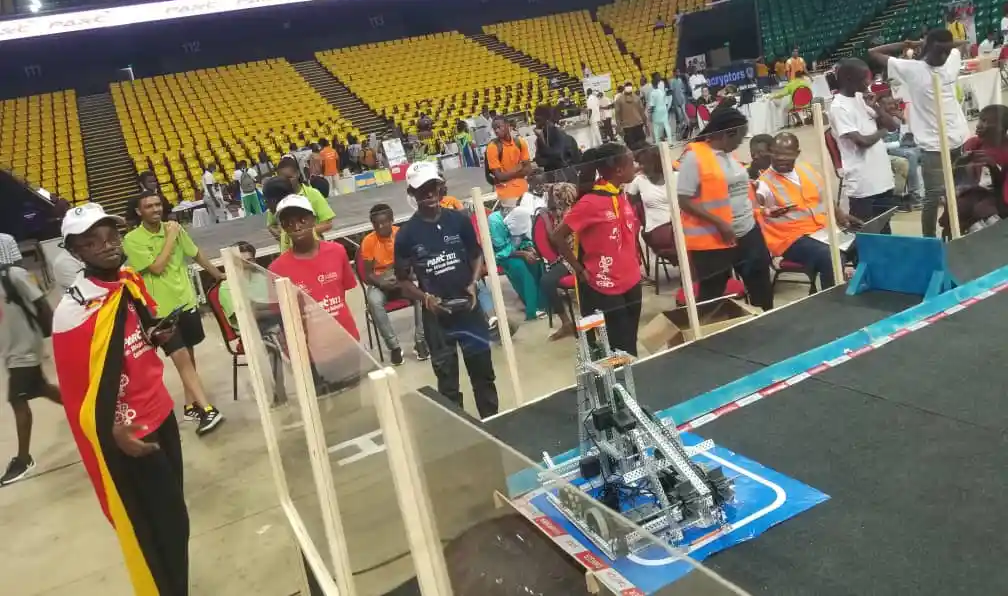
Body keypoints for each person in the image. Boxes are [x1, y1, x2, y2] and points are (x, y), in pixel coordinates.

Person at [53, 203, 189, 595]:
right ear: (76, 252)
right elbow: (79, 391)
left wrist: (152, 337)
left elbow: (119, 348)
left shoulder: (127, 283)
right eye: (91, 242)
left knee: (175, 520)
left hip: (161, 413)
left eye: (110, 235)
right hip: (132, 436)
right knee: (157, 530)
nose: (107, 245)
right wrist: (111, 432)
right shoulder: (74, 311)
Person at [394, 161, 498, 418]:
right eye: (422, 190)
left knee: (483, 375)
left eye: (433, 187)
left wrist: (473, 283)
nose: (429, 194)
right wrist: (425, 298)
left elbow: (475, 256)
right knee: (448, 384)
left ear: (441, 188)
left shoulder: (458, 221)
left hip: (469, 310)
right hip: (437, 320)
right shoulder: (406, 235)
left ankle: (494, 423)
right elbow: (403, 282)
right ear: (412, 193)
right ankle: (460, 432)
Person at [122, 192, 225, 435]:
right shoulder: (132, 239)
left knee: (188, 357)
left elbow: (195, 252)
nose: (156, 209)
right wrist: (170, 236)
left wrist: (216, 273)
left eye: (158, 205)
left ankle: (191, 404)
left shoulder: (174, 229)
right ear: (139, 212)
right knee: (181, 360)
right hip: (161, 313)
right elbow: (156, 268)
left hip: (186, 302)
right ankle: (207, 409)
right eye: (149, 206)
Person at [868, 32, 967, 237]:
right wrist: (911, 44)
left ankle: (954, 230)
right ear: (927, 49)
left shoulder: (952, 58)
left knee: (957, 192)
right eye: (939, 51)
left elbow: (964, 43)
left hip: (958, 137)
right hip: (933, 145)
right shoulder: (912, 69)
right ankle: (929, 240)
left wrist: (939, 46)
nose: (943, 56)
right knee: (932, 196)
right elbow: (873, 52)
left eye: (946, 51)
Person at [676, 106, 774, 311]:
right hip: (714, 240)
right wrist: (719, 223)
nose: (742, 141)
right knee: (712, 295)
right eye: (740, 136)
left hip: (747, 231)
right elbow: (683, 199)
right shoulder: (695, 157)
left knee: (761, 286)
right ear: (728, 133)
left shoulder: (729, 155)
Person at [551, 144, 643, 356]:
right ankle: (620, 385)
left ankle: (630, 381)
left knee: (630, 342)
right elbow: (557, 235)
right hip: (606, 286)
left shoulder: (621, 195)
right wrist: (578, 268)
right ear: (618, 170)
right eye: (631, 163)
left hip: (631, 281)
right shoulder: (590, 203)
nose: (635, 167)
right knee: (619, 348)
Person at [755, 133, 861, 290]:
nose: (781, 158)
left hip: (821, 230)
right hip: (791, 240)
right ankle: (833, 303)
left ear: (797, 153)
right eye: (776, 153)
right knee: (831, 257)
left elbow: (824, 198)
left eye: (787, 154)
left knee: (865, 242)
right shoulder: (763, 183)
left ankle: (866, 290)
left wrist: (841, 217)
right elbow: (756, 203)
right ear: (770, 152)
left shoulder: (807, 170)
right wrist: (764, 209)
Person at [0, 260, 60, 485]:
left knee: (17, 399)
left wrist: (55, 338)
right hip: (9, 350)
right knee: (43, 389)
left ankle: (24, 459)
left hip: (25, 348)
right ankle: (92, 411)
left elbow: (42, 305)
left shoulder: (13, 275)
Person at [268, 195, 360, 341]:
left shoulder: (337, 251)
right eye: (288, 223)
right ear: (283, 227)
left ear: (313, 219)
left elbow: (341, 292)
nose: (297, 227)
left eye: (302, 220)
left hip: (347, 338)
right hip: (310, 349)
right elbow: (279, 313)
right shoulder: (276, 269)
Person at [360, 203, 428, 365]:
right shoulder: (368, 241)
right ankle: (394, 347)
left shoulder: (402, 235)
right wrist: (382, 283)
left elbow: (414, 262)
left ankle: (420, 341)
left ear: (392, 220)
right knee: (374, 302)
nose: (381, 226)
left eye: (385, 222)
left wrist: (402, 278)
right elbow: (368, 274)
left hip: (402, 276)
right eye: (377, 224)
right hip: (380, 280)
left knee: (422, 294)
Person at [266, 155, 336, 251]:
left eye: (290, 177)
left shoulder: (312, 194)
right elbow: (271, 225)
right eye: (282, 178)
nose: (286, 181)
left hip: (313, 250)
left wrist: (302, 234)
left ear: (298, 174)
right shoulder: (278, 198)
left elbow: (327, 224)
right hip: (288, 254)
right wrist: (284, 237)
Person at [537, 182, 579, 340]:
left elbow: (555, 238)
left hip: (574, 258)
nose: (550, 200)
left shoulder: (569, 214)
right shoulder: (564, 212)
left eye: (553, 196)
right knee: (547, 280)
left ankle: (566, 323)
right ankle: (566, 322)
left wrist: (545, 220)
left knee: (546, 281)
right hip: (567, 256)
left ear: (560, 198)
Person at [489, 202, 544, 322]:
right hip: (505, 255)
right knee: (523, 271)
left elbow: (523, 237)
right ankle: (532, 310)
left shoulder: (520, 216)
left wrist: (530, 248)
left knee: (537, 264)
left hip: (519, 249)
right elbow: (500, 249)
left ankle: (542, 304)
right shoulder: (495, 221)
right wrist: (523, 254)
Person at [878, 94, 923, 209]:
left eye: (893, 103)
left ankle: (934, 191)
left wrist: (903, 120)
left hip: (900, 147)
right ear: (880, 106)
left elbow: (904, 137)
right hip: (887, 150)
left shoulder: (895, 117)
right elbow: (880, 145)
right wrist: (899, 144)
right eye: (888, 104)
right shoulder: (877, 120)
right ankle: (914, 193)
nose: (892, 106)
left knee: (924, 150)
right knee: (911, 154)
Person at [486, 116, 534, 208]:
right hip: (507, 196)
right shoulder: (493, 147)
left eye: (499, 127)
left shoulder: (520, 142)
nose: (496, 131)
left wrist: (508, 174)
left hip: (524, 192)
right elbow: (499, 176)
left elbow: (528, 169)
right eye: (494, 128)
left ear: (507, 125)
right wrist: (519, 168)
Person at [962, 104, 1008, 196]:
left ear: (1000, 128)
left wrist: (993, 167)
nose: (978, 125)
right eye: (979, 120)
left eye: (984, 121)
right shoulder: (972, 145)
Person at [626, 144, 669, 232]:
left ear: (656, 162)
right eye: (640, 163)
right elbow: (628, 204)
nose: (641, 166)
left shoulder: (675, 176)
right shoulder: (639, 180)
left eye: (645, 163)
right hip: (655, 230)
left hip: (679, 225)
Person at [533, 105, 580, 184]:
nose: (536, 124)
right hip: (552, 177)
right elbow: (539, 161)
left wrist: (542, 144)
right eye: (535, 121)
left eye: (538, 120)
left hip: (565, 177)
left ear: (546, 119)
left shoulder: (558, 133)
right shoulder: (541, 138)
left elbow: (558, 156)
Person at [614, 81, 647, 149]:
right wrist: (646, 125)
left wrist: (619, 127)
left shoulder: (619, 99)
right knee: (642, 146)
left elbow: (617, 115)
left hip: (628, 127)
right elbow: (642, 112)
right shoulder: (637, 98)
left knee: (632, 148)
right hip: (637, 125)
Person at [648, 74, 672, 142]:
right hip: (664, 108)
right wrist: (666, 107)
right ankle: (670, 142)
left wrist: (650, 115)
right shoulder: (662, 91)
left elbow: (652, 106)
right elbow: (666, 99)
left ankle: (658, 143)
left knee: (656, 127)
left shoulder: (652, 93)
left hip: (656, 111)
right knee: (666, 125)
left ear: (652, 85)